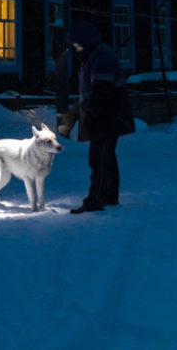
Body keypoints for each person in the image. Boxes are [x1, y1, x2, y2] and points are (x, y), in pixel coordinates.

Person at [57, 18, 135, 214]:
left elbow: (101, 92)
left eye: (76, 45)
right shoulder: (94, 56)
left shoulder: (100, 56)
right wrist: (74, 116)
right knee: (105, 157)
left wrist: (89, 116)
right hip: (105, 117)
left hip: (107, 118)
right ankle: (109, 196)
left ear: (84, 41)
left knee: (98, 158)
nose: (75, 50)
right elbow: (88, 94)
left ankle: (96, 199)